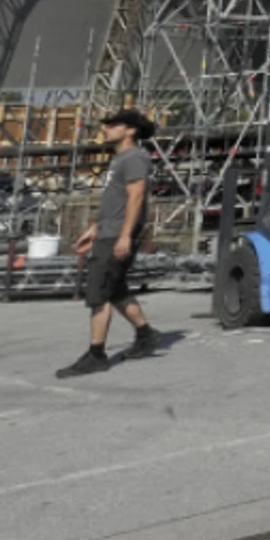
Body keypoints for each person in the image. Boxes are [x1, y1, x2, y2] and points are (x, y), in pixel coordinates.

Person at [56, 108, 165, 378]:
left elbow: (136, 197)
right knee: (114, 288)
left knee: (98, 293)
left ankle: (96, 355)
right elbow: (114, 202)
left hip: (118, 234)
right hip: (109, 231)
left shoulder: (135, 158)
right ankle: (146, 335)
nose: (107, 129)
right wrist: (95, 228)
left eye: (114, 125)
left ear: (130, 130)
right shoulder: (120, 160)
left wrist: (125, 235)